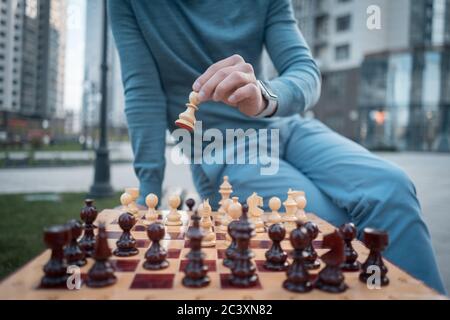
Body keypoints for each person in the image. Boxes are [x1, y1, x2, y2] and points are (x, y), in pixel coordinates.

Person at [108, 0, 446, 294]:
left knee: (392, 188)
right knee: (322, 225)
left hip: (286, 125)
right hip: (222, 147)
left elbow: (305, 72)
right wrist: (145, 201)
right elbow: (143, 93)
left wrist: (264, 95)